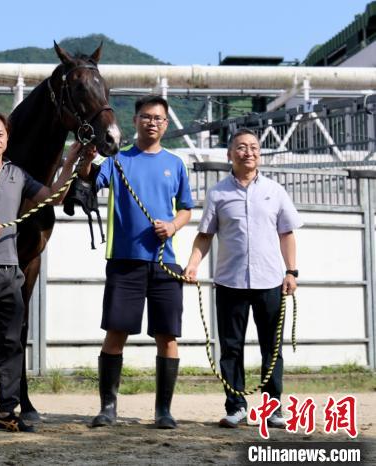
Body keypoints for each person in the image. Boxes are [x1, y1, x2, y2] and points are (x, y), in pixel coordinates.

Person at [0, 112, 89, 435]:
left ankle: (7, 411)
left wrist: (69, 161)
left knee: (11, 344)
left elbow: (54, 196)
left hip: (11, 271)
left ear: (7, 138)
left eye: (0, 134)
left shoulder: (18, 175)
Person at [78, 95, 194, 429]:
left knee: (167, 336)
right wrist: (86, 160)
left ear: (166, 124)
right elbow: (88, 181)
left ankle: (163, 410)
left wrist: (172, 225)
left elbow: (186, 208)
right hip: (124, 262)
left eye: (158, 118)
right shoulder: (117, 160)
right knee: (116, 333)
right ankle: (108, 406)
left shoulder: (176, 163)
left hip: (165, 263)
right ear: (135, 121)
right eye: (146, 117)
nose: (152, 122)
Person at [183, 128, 301, 429]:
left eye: (253, 147)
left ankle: (274, 409)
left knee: (271, 348)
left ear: (259, 153)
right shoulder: (218, 193)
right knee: (231, 348)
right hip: (229, 282)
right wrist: (193, 265)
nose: (248, 152)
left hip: (270, 282)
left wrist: (292, 271)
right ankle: (236, 407)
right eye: (241, 147)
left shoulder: (275, 191)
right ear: (229, 154)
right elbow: (205, 235)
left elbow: (286, 233)